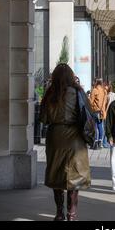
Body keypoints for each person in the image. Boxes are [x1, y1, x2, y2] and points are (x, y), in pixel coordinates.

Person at [40, 63, 91, 221]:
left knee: (57, 176)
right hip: (75, 137)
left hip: (55, 137)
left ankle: (59, 213)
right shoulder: (78, 92)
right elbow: (88, 114)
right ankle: (72, 214)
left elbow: (43, 118)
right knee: (74, 179)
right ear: (71, 76)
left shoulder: (50, 94)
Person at [89, 78, 107, 149]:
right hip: (102, 111)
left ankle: (95, 143)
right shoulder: (104, 90)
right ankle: (100, 143)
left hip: (95, 110)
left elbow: (91, 101)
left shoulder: (94, 90)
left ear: (96, 83)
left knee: (95, 127)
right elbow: (105, 101)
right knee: (100, 126)